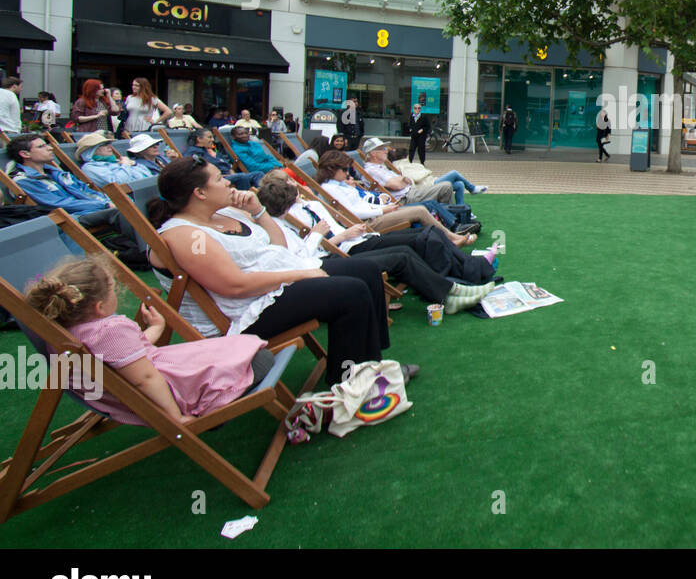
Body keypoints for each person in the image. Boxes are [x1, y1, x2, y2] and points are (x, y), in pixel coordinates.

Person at [146, 158, 413, 386]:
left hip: (276, 282)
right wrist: (300, 276)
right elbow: (233, 286)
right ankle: (350, 381)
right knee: (350, 292)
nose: (228, 181)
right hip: (245, 311)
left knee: (364, 269)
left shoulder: (228, 213)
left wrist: (257, 211)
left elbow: (277, 245)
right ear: (199, 193)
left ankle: (371, 363)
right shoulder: (187, 235)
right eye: (218, 179)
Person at [25, 254, 268, 424]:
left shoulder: (65, 334)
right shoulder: (109, 330)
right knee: (258, 359)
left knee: (232, 351)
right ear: (99, 306)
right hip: (168, 388)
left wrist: (156, 328)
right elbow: (145, 378)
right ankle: (215, 400)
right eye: (113, 290)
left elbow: (127, 356)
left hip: (137, 384)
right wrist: (175, 418)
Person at [256, 173, 497, 313]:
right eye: (292, 186)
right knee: (407, 250)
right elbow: (299, 258)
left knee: (427, 235)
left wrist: (349, 228)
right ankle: (451, 290)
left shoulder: (311, 206)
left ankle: (468, 272)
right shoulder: (283, 224)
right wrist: (337, 235)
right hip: (344, 249)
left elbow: (341, 221)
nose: (298, 186)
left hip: (359, 237)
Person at [316, 150, 475, 243]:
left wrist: (382, 207)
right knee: (421, 210)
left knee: (444, 191)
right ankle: (452, 236)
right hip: (369, 222)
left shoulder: (340, 185)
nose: (347, 173)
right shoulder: (331, 189)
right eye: (344, 170)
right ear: (331, 169)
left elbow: (362, 203)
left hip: (380, 210)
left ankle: (453, 232)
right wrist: (383, 210)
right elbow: (353, 213)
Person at [5, 134, 133, 232]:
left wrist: (107, 201)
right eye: (41, 147)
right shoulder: (24, 180)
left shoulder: (56, 173)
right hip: (72, 216)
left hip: (90, 209)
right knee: (124, 211)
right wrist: (103, 205)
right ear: (25, 154)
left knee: (131, 205)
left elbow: (84, 189)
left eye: (46, 145)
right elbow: (59, 204)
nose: (50, 148)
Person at [359, 137, 455, 210]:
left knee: (455, 184)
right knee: (446, 187)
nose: (386, 151)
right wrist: (403, 180)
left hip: (411, 191)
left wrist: (402, 180)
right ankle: (450, 219)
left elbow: (403, 179)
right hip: (405, 198)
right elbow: (396, 185)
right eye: (382, 149)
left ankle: (450, 216)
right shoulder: (372, 171)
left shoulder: (380, 167)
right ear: (373, 153)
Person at [184, 128, 258, 189]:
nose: (213, 140)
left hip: (230, 175)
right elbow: (196, 169)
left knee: (258, 174)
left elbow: (227, 165)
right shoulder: (193, 152)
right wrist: (222, 175)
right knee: (242, 177)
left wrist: (231, 171)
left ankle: (264, 198)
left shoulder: (210, 151)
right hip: (218, 178)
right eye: (209, 137)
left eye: (212, 137)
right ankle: (243, 201)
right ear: (199, 139)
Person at [76, 133, 154, 187]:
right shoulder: (90, 167)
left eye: (109, 144)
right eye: (104, 145)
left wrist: (134, 164)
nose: (110, 147)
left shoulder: (115, 162)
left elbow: (148, 175)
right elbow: (119, 184)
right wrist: (125, 165)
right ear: (92, 150)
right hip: (129, 199)